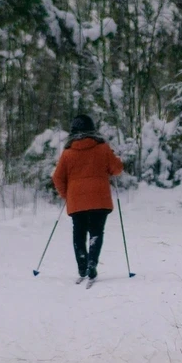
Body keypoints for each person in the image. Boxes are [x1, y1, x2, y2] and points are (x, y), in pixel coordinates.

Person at [51, 114, 123, 283]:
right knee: (96, 232)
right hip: (100, 199)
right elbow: (117, 168)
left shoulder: (68, 154)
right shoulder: (103, 148)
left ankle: (82, 266)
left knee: (79, 233)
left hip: (77, 201)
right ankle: (92, 263)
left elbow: (57, 177)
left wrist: (66, 194)